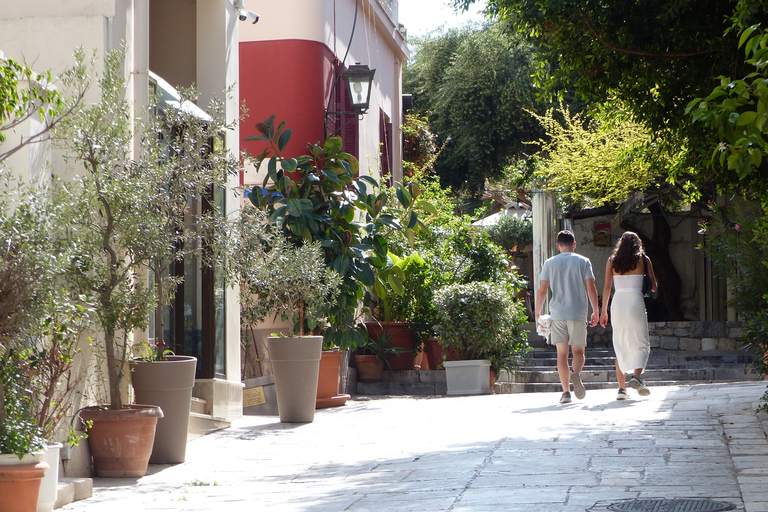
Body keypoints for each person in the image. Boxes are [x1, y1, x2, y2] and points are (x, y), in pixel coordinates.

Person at [535, 230, 600, 404]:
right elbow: (591, 288)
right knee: (578, 352)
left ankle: (565, 393)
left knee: (561, 355)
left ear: (558, 246)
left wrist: (537, 311)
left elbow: (543, 289)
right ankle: (576, 375)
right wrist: (596, 310)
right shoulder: (583, 261)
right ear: (574, 244)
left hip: (558, 314)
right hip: (578, 313)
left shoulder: (550, 263)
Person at [599, 231, 658, 400]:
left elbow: (607, 288)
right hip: (635, 302)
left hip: (617, 304)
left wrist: (604, 312)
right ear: (637, 244)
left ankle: (621, 389)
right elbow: (653, 287)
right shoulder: (644, 259)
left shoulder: (612, 261)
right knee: (641, 343)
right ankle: (637, 377)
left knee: (620, 344)